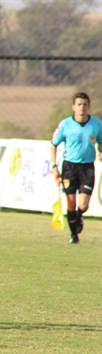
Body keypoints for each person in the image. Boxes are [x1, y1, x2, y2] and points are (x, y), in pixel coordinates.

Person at [50, 92, 102, 244]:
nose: (82, 107)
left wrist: (100, 152)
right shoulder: (65, 124)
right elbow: (53, 144)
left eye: (85, 104)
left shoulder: (96, 124)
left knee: (83, 205)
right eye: (79, 104)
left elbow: (101, 141)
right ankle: (74, 236)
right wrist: (54, 166)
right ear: (73, 107)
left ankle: (80, 215)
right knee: (70, 203)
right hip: (69, 167)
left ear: (89, 106)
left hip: (87, 168)